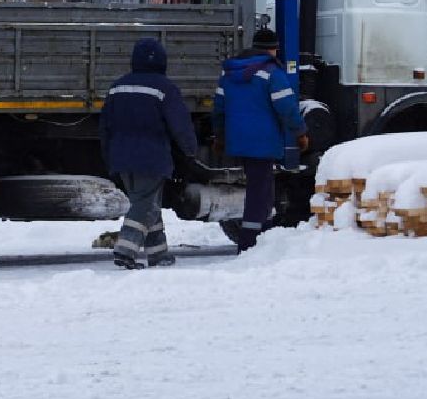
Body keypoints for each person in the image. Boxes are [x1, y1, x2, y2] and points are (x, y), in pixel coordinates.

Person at [99, 37, 198, 270]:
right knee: (144, 205)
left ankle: (158, 254)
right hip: (152, 157)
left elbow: (105, 127)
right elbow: (180, 125)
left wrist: (108, 156)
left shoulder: (117, 87)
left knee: (147, 203)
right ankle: (125, 250)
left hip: (121, 157)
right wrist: (191, 151)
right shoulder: (165, 88)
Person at [212, 26, 307, 251]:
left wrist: (220, 136)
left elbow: (219, 109)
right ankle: (249, 242)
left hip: (238, 141)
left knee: (261, 189)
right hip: (262, 141)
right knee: (259, 191)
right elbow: (286, 107)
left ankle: (262, 235)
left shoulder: (229, 72)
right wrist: (300, 132)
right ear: (273, 50)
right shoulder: (271, 73)